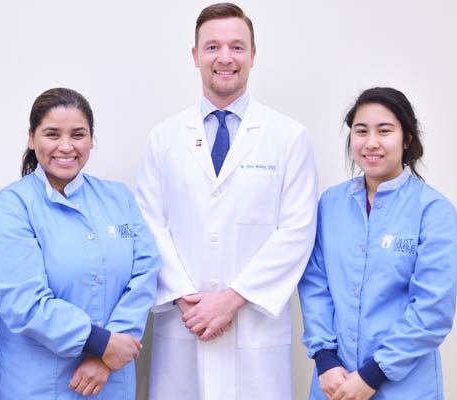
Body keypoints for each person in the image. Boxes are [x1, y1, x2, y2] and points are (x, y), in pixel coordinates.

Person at [135, 3, 318, 399]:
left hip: (254, 328)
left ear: (253, 55)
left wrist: (232, 300)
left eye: (237, 47)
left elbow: (297, 231)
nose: (225, 58)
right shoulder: (164, 138)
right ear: (195, 55)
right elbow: (150, 226)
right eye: (212, 47)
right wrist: (188, 301)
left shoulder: (288, 137)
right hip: (184, 324)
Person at [0, 87, 161, 399]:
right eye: (52, 134)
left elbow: (146, 273)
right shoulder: (12, 206)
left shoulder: (118, 198)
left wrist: (107, 356)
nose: (66, 146)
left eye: (78, 134)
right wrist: (100, 343)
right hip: (37, 384)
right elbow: (23, 301)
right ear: (32, 138)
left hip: (111, 379)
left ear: (91, 140)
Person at [298, 87, 457, 400]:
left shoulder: (433, 211)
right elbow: (315, 284)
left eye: (384, 131)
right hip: (334, 382)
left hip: (404, 386)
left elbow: (433, 309)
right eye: (361, 131)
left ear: (407, 138)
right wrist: (325, 360)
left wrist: (372, 374)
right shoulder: (330, 204)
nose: (371, 142)